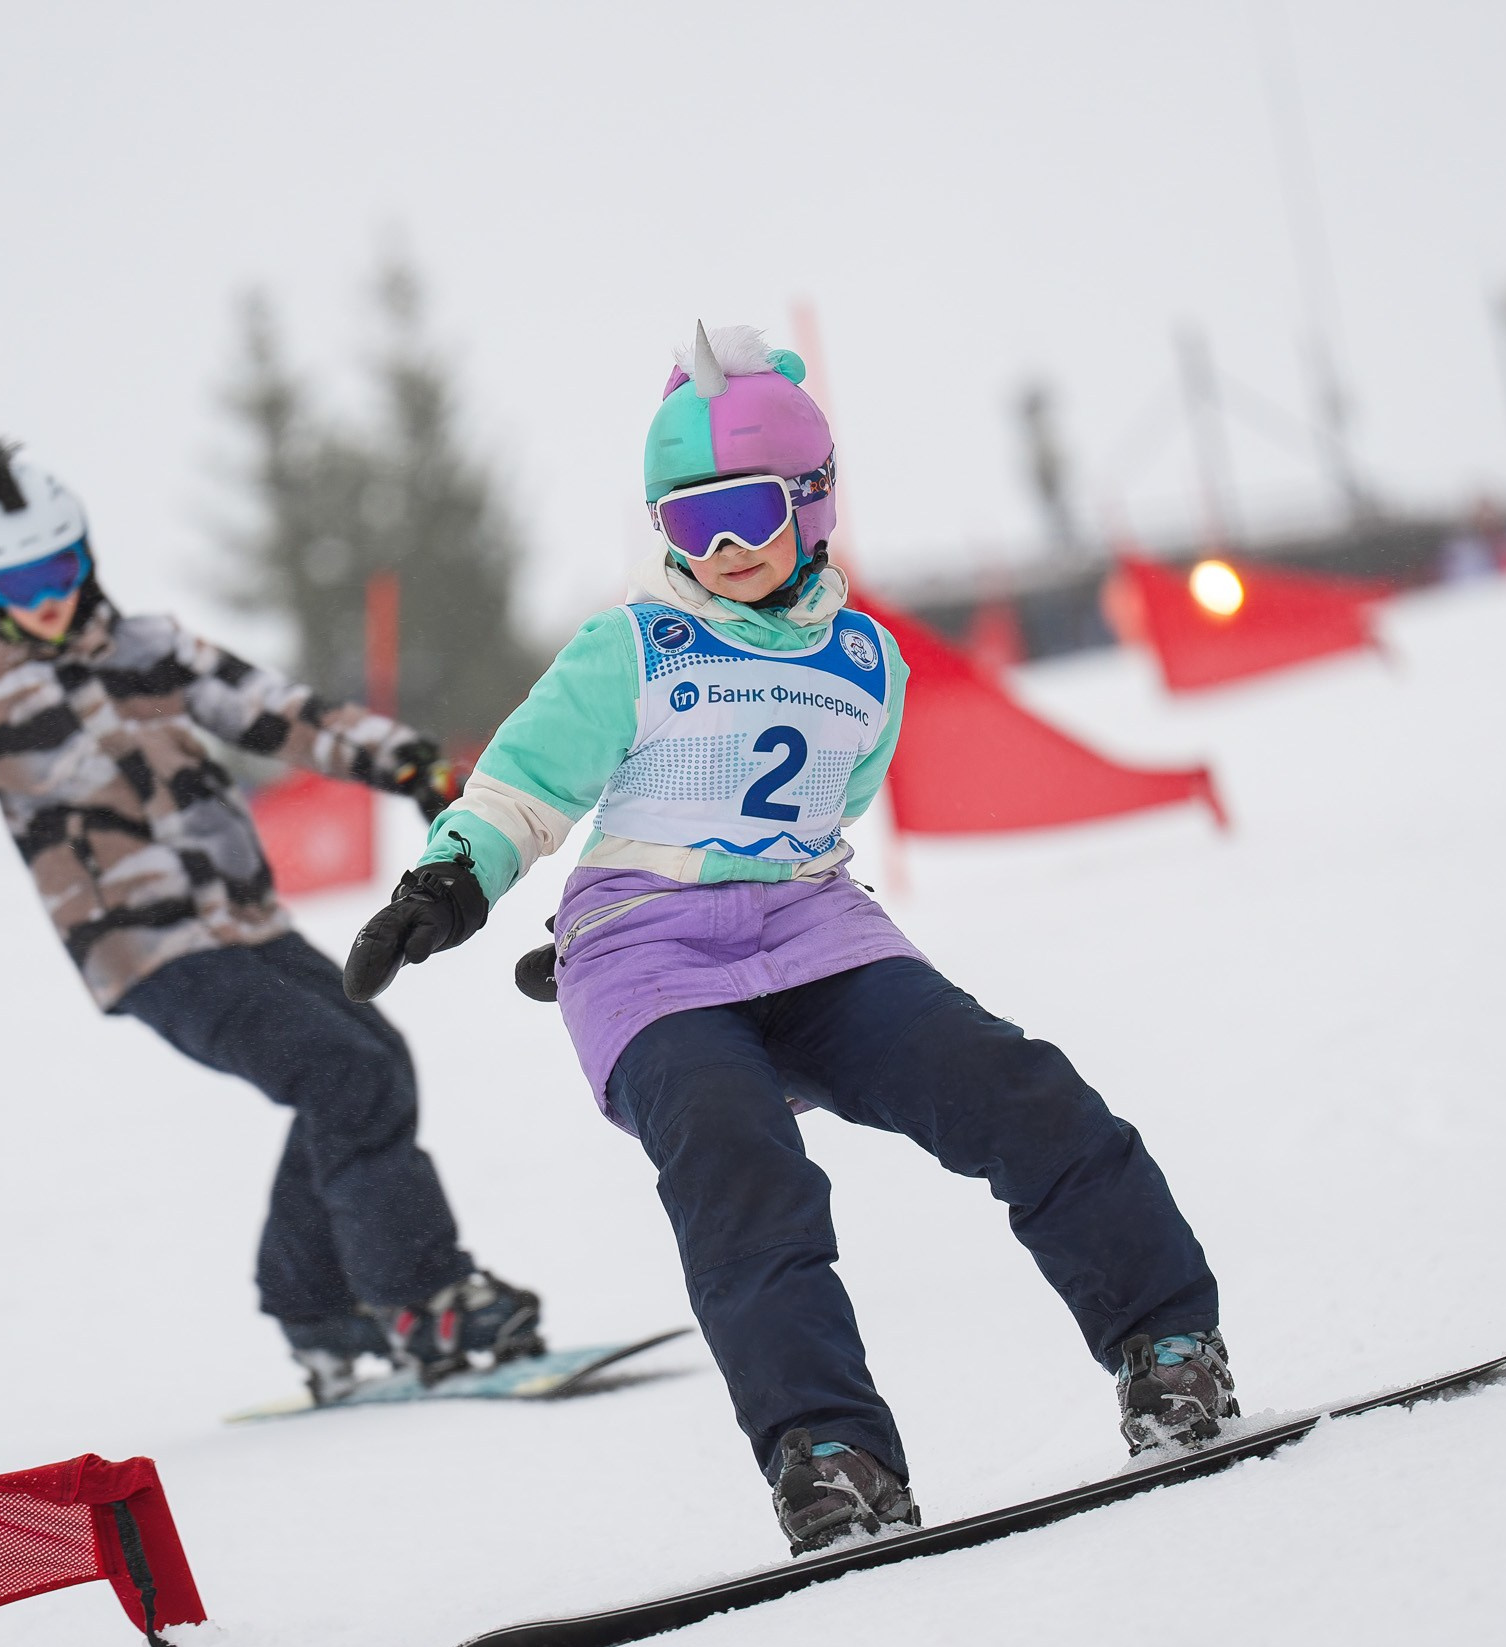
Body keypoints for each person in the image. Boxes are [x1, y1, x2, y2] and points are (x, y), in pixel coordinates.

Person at [343, 327, 1230, 1553]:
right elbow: (523, 788)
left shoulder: (865, 659)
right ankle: (831, 1457)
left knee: (1017, 1089)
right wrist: (449, 883)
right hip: (649, 960)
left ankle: (1170, 1352)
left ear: (812, 502)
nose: (723, 548)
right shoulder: (633, 647)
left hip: (813, 936)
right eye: (690, 521)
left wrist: (751, 890)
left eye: (748, 512)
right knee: (739, 1171)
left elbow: (828, 805)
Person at [0, 440, 540, 1400]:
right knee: (343, 1072)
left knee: (369, 1059)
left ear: (86, 556)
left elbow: (282, 713)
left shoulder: (153, 648)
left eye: (58, 571)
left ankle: (314, 1306)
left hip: (245, 922)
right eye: (17, 584)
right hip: (147, 953)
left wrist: (412, 765)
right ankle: (423, 1296)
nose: (47, 599)